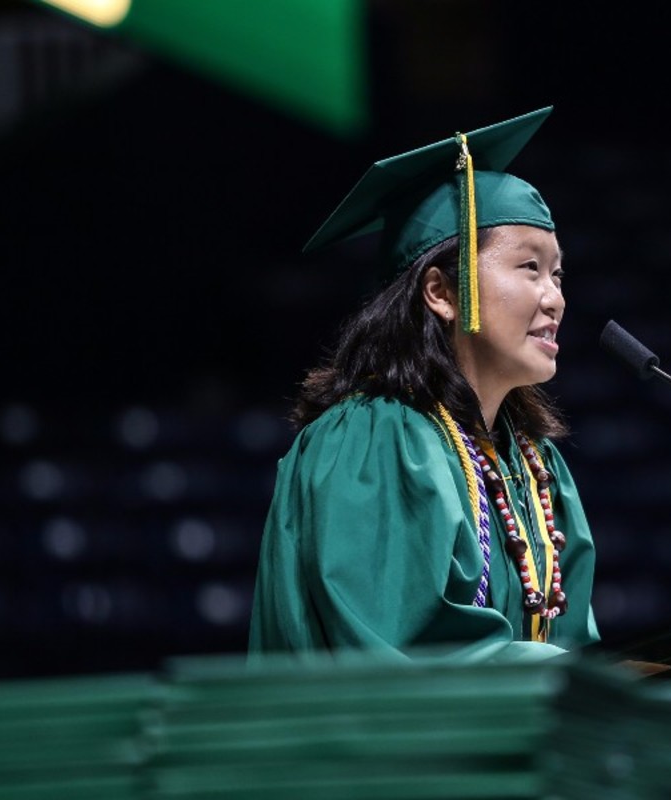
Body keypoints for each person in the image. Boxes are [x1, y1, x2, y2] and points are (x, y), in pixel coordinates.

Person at [247, 107, 600, 663]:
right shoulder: (372, 438)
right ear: (440, 291)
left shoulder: (536, 468)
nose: (554, 298)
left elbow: (578, 651)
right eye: (529, 268)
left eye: (557, 274)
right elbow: (406, 655)